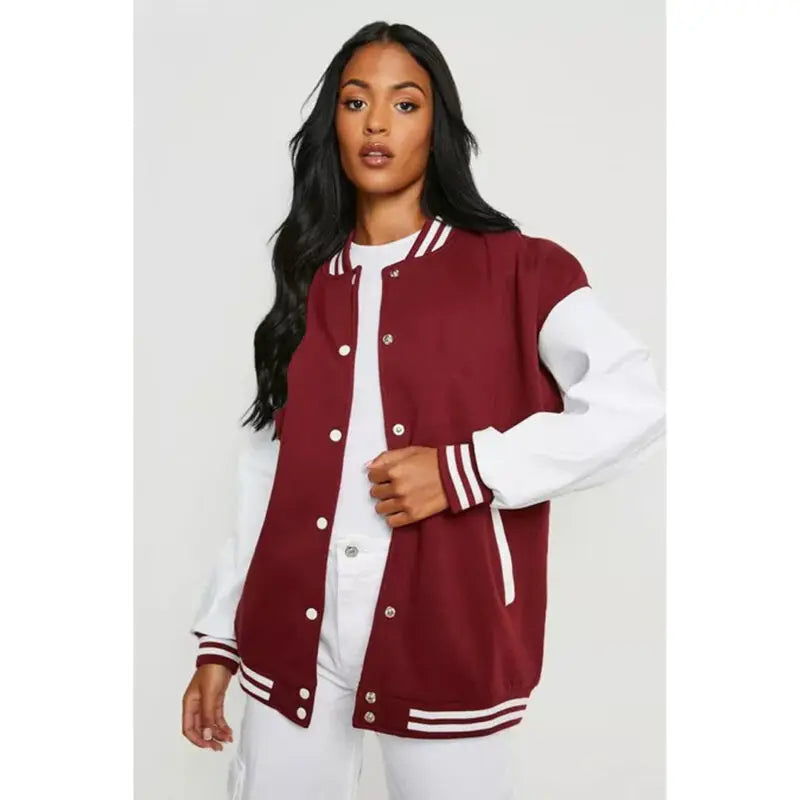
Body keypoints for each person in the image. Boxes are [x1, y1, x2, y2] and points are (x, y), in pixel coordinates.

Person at [181, 20, 665, 800]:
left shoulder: (519, 270)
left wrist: (464, 471)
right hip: (290, 640)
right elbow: (266, 472)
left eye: (404, 104)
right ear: (332, 123)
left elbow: (634, 405)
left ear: (437, 127)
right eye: (355, 102)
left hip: (448, 634)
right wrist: (220, 641)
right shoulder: (307, 281)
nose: (377, 123)